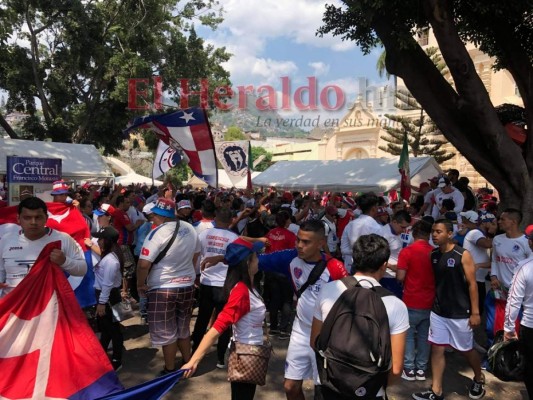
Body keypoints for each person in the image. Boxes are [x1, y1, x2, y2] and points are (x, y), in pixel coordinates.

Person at [311, 234, 409, 400]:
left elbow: (315, 341)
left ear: (355, 259)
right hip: (369, 389)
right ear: (384, 265)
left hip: (328, 384)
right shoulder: (395, 305)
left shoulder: (328, 290)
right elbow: (397, 368)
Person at [258, 219, 347, 400]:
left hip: (327, 339)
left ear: (321, 243)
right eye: (298, 239)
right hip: (300, 332)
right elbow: (255, 261)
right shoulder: (291, 258)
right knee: (290, 387)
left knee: (321, 392)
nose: (299, 245)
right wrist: (224, 255)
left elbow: (351, 302)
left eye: (306, 242)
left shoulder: (335, 268)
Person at [182, 238, 266, 400]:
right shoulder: (241, 291)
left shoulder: (247, 286)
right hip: (245, 355)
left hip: (250, 352)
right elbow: (216, 328)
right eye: (256, 256)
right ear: (247, 262)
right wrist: (194, 361)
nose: (258, 260)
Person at [412, 219, 485, 400]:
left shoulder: (463, 254)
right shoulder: (433, 254)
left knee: (466, 349)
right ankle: (436, 391)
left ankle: (478, 377)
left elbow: (472, 284)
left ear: (450, 234)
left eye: (439, 232)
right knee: (437, 349)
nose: (434, 235)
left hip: (460, 313)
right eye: (433, 232)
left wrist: (475, 312)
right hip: (438, 312)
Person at [137, 198, 200, 375]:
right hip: (186, 285)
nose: (152, 219)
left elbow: (143, 265)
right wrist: (188, 272)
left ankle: (170, 369)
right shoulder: (189, 228)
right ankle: (188, 363)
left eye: (153, 216)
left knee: (167, 332)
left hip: (163, 287)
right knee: (183, 327)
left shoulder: (156, 234)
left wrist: (140, 284)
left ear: (160, 216)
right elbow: (196, 254)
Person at [0, 197, 87, 298]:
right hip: (13, 306)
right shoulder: (6, 240)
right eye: (27, 218)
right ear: (18, 219)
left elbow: (82, 269)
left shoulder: (62, 238)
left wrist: (64, 261)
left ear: (46, 218)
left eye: (38, 217)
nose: (33, 222)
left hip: (48, 306)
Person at [191, 207, 239, 368]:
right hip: (225, 284)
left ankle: (195, 351)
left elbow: (197, 257)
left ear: (215, 218)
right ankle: (220, 357)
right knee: (224, 321)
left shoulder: (203, 235)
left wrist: (196, 275)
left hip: (206, 283)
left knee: (202, 318)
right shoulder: (234, 238)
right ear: (231, 221)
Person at [396, 220, 435, 381]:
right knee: (425, 336)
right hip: (430, 301)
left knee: (409, 335)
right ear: (429, 235)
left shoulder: (407, 252)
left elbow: (400, 277)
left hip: (411, 299)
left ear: (413, 234)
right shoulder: (435, 252)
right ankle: (421, 369)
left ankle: (409, 368)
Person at [487, 208, 532, 347]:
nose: (499, 221)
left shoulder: (526, 242)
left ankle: (514, 359)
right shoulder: (497, 239)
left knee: (515, 329)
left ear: (513, 222)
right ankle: (492, 356)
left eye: (503, 219)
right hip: (497, 291)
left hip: (517, 295)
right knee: (492, 327)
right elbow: (494, 260)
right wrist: (493, 276)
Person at [503, 225, 533, 399]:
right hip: (529, 324)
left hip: (529, 326)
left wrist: (508, 328)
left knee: (529, 367)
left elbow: (513, 300)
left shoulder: (524, 267)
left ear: (530, 243)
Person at [92, 226, 124, 371]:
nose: (98, 241)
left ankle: (117, 360)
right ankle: (101, 355)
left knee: (114, 330)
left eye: (100, 239)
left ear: (107, 241)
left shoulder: (111, 261)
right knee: (106, 328)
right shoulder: (107, 256)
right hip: (105, 296)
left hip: (109, 297)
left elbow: (107, 284)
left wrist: (102, 303)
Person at [340, 193, 382, 272]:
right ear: (373, 208)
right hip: (368, 268)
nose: (378, 209)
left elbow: (343, 248)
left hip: (350, 264)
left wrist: (353, 253)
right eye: (377, 206)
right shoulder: (377, 227)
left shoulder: (350, 224)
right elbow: (378, 252)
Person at [378, 210, 412, 298]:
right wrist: (390, 266)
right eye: (402, 227)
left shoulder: (399, 232)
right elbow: (376, 255)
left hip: (399, 275)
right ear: (394, 222)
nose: (404, 230)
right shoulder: (383, 233)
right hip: (386, 276)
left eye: (406, 228)